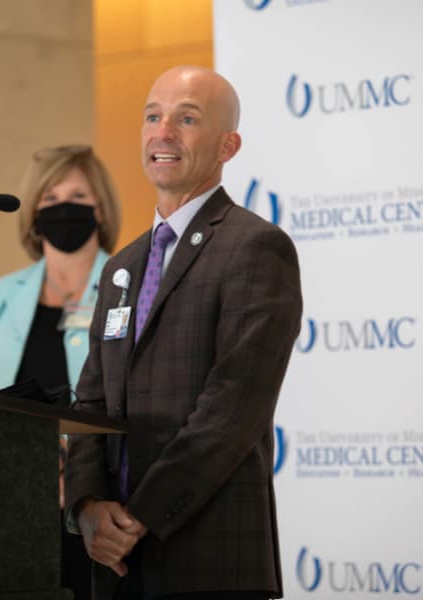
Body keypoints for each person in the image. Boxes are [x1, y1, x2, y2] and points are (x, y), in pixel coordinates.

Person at [64, 66, 303, 600]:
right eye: (153, 116)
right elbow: (91, 400)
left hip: (210, 559)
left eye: (186, 118)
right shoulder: (121, 266)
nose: (162, 132)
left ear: (228, 145)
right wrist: (86, 507)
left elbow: (232, 410)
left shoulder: (255, 248)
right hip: (116, 566)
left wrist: (138, 518)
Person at [0, 144, 121, 599]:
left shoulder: (130, 284)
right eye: (49, 200)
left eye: (78, 198)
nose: (63, 209)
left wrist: (75, 467)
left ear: (102, 210)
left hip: (98, 501)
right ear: (32, 213)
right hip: (8, 495)